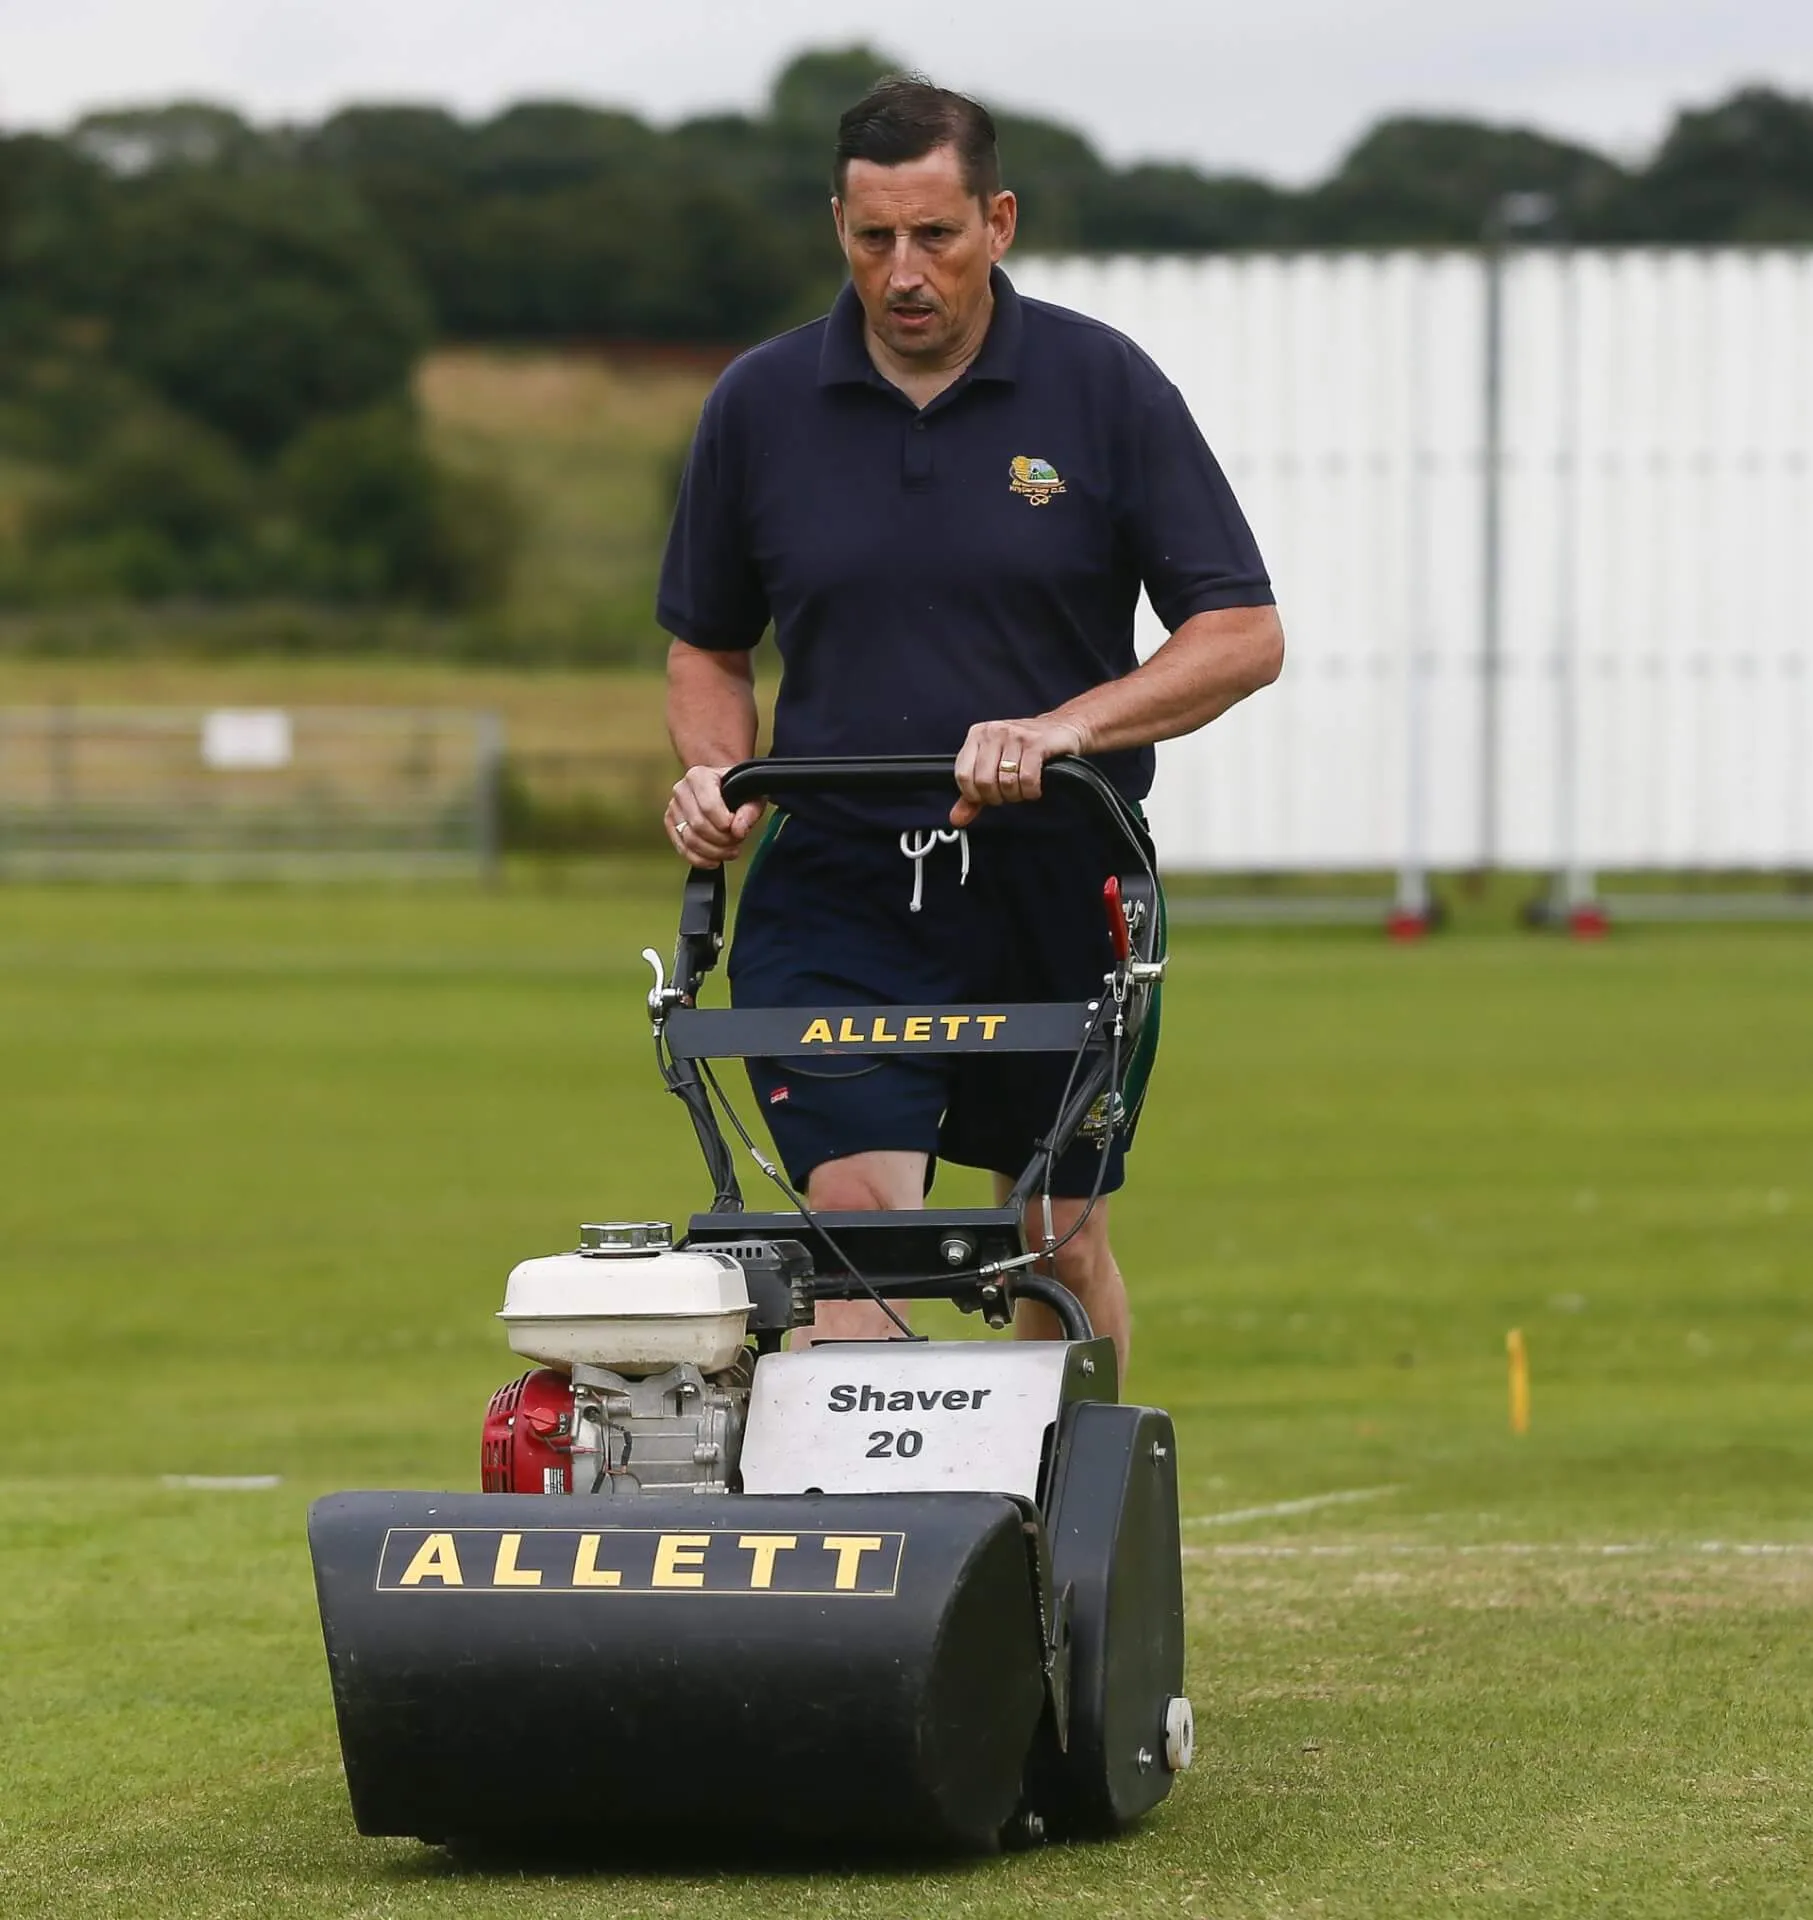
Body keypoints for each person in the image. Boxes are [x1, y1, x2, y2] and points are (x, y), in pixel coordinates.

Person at [656, 76, 1283, 1376]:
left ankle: (1077, 1531)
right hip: (834, 885)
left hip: (1058, 877)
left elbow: (1241, 635)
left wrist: (1064, 728)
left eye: (935, 235)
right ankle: (885, 1554)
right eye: (874, 236)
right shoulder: (760, 406)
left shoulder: (1102, 389)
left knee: (1051, 1237)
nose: (904, 272)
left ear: (999, 220)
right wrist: (715, 770)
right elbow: (707, 646)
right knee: (851, 1233)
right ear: (838, 223)